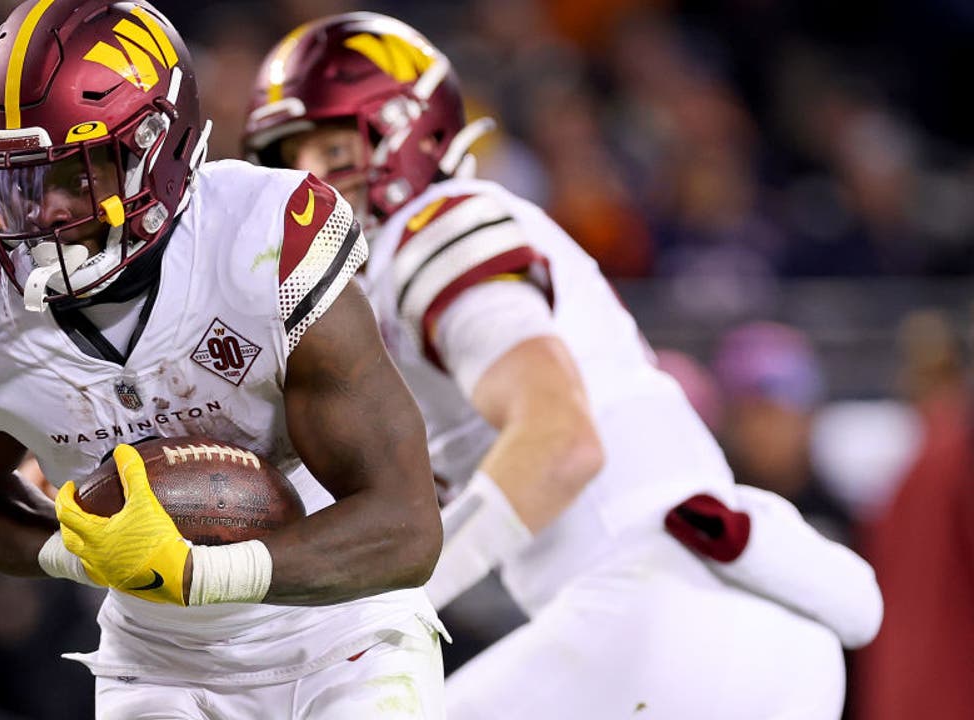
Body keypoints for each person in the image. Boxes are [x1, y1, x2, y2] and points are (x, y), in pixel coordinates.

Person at [243, 12, 882, 718]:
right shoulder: (366, 296)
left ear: (408, 135)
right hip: (710, 623)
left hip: (664, 606)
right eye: (290, 161)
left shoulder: (436, 228)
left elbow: (560, 441)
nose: (311, 183)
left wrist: (392, 601)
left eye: (334, 150)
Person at [0, 2, 446, 718]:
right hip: (157, 660)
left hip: (344, 632)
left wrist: (202, 570)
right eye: (17, 179)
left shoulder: (263, 246)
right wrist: (75, 550)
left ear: (158, 146)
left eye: (77, 172)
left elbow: (405, 526)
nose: (46, 211)